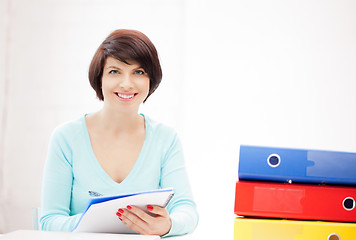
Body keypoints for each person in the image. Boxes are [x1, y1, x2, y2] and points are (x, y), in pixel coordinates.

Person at [40, 29, 198, 237]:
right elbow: (49, 221)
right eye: (115, 71)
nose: (126, 84)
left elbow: (187, 210)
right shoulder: (66, 138)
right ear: (100, 78)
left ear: (151, 80)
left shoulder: (166, 139)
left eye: (139, 72)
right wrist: (102, 220)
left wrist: (168, 226)